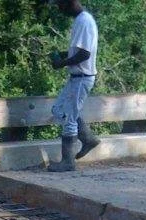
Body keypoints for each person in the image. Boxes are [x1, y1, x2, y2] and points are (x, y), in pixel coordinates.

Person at [48, 0, 100, 172]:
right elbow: (78, 51)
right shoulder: (80, 20)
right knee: (58, 110)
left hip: (82, 77)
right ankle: (88, 139)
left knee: (69, 119)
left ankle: (68, 162)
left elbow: (85, 54)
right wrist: (62, 55)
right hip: (77, 77)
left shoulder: (84, 21)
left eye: (60, 5)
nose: (59, 9)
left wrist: (61, 63)